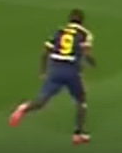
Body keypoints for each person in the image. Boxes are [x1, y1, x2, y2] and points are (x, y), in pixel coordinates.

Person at [9, 9, 95, 145]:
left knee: (41, 101)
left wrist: (43, 70)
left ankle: (24, 108)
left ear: (69, 20)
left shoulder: (59, 32)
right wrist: (91, 63)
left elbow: (45, 52)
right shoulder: (85, 34)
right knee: (81, 101)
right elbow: (86, 53)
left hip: (55, 70)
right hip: (71, 71)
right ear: (82, 21)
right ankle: (78, 134)